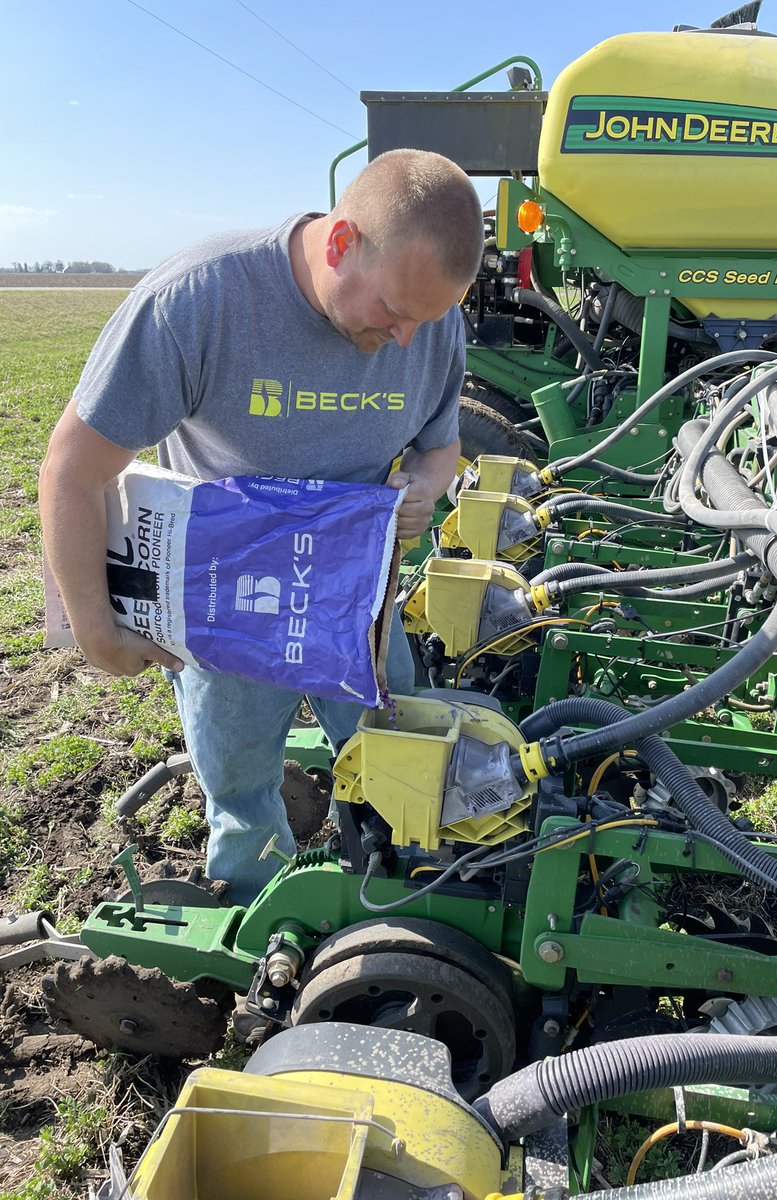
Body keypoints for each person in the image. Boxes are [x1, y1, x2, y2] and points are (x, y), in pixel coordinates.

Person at [40, 149, 485, 905]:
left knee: (401, 755)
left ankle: (402, 894)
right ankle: (261, 937)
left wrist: (425, 485)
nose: (407, 340)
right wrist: (92, 626)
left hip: (356, 599)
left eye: (426, 319)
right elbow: (71, 470)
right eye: (392, 312)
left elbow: (442, 444)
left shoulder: (431, 323)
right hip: (227, 604)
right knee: (242, 787)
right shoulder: (201, 302)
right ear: (340, 243)